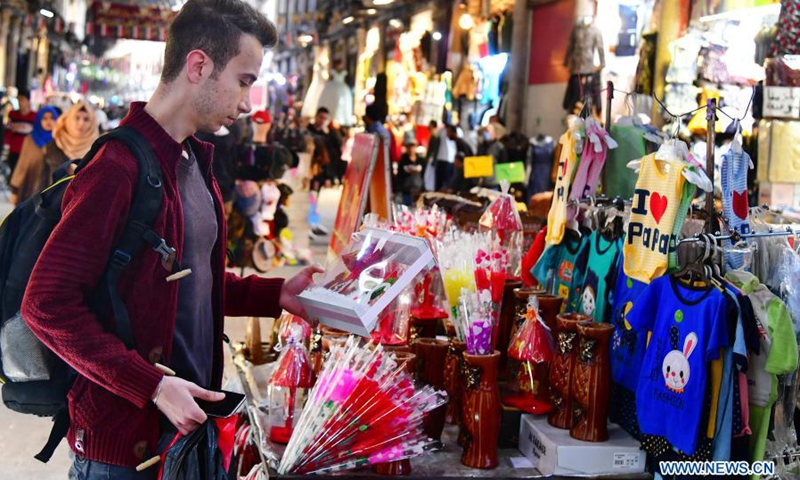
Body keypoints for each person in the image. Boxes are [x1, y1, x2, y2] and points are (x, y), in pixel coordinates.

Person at [21, 1, 322, 478]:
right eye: (243, 80)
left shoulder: (193, 161)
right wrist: (153, 387)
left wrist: (277, 294)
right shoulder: (116, 169)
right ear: (198, 66)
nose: (247, 102)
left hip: (185, 437)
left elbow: (187, 282)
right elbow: (45, 304)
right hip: (123, 453)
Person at [8, 106, 59, 205]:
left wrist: (57, 132)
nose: (48, 121)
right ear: (39, 120)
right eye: (44, 118)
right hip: (30, 187)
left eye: (52, 118)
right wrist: (15, 190)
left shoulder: (60, 140)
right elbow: (22, 164)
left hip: (52, 189)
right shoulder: (30, 139)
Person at [426, 123, 473, 191]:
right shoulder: (457, 142)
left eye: (449, 132)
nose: (447, 135)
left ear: (453, 133)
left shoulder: (461, 143)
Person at [307, 106, 343, 185]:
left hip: (319, 168)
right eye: (321, 117)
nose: (322, 121)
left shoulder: (328, 135)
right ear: (316, 116)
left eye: (325, 118)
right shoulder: (307, 129)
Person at [4, 90, 36, 174]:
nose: (20, 102)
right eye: (18, 99)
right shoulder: (12, 114)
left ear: (28, 101)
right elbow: (8, 132)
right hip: (14, 151)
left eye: (22, 99)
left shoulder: (35, 116)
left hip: (28, 153)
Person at [396, 139, 423, 206]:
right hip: (406, 191)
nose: (411, 149)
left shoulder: (420, 159)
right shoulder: (403, 159)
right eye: (409, 147)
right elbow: (399, 175)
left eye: (413, 146)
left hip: (418, 191)